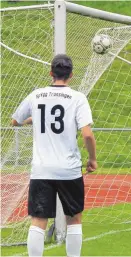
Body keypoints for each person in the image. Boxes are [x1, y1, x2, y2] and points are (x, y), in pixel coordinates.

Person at [11, 54, 97, 257]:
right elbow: (87, 134)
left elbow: (15, 121)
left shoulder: (36, 95)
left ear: (51, 73)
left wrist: (35, 119)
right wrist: (92, 159)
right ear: (71, 75)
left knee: (38, 221)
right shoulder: (78, 98)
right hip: (69, 170)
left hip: (41, 170)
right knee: (74, 219)